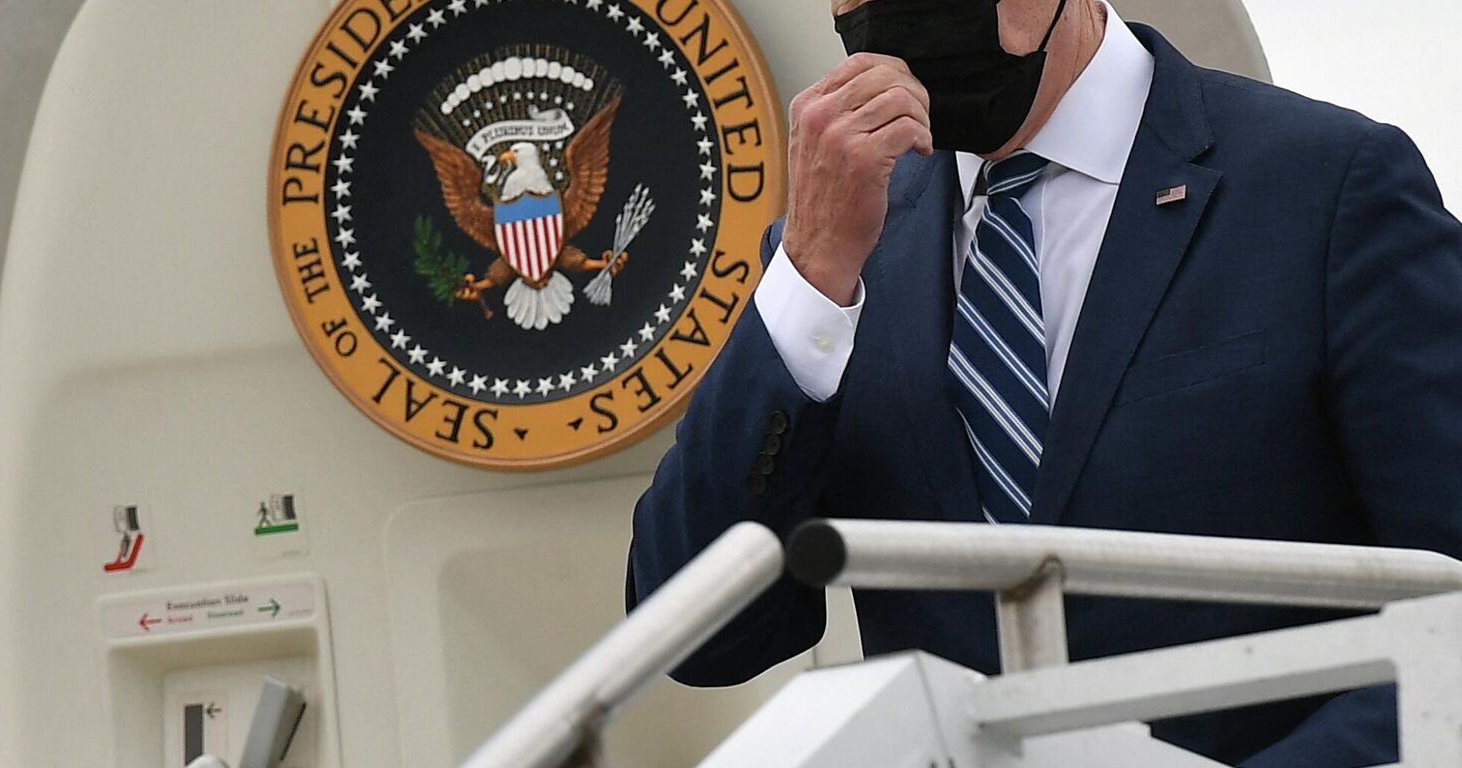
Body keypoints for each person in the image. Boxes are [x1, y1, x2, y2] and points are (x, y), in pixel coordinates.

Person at [625, 0, 1462, 765]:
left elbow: (1451, 614)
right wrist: (809, 277)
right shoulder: (838, 251)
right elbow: (700, 634)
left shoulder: (1326, 184)